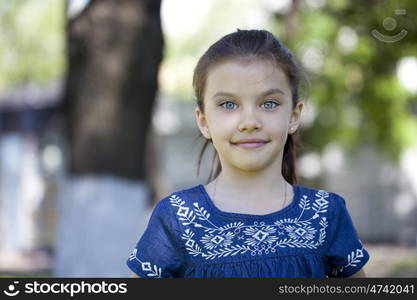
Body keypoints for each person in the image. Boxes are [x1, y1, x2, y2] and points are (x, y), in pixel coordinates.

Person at [127, 29, 369, 278]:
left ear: (294, 117)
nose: (249, 122)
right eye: (228, 105)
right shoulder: (178, 218)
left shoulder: (325, 213)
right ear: (203, 121)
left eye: (269, 103)